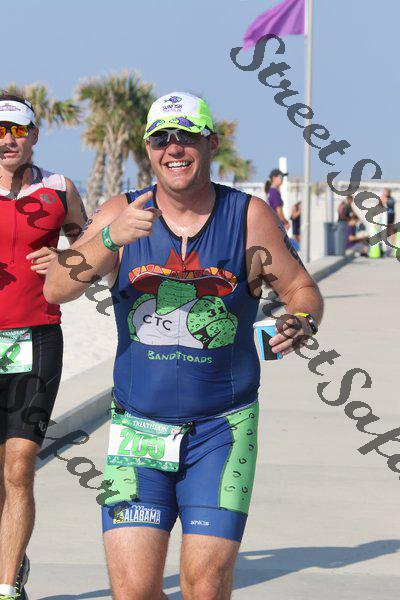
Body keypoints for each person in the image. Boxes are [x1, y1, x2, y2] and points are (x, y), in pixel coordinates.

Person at [44, 91, 324, 600]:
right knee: (133, 591)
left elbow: (301, 288)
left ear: (211, 144)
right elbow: (56, 289)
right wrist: (109, 239)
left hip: (223, 431)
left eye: (186, 136)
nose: (173, 147)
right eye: (160, 138)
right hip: (137, 431)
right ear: (148, 149)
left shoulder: (248, 216)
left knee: (204, 586)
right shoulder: (121, 211)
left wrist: (301, 320)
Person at [0, 91, 86, 599]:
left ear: (34, 135)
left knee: (19, 466)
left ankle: (6, 585)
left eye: (18, 130)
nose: (8, 140)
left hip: (36, 337)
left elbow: (90, 251)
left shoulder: (59, 189)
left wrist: (65, 261)